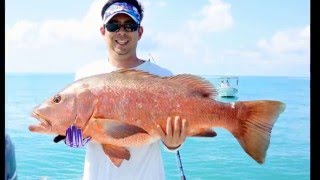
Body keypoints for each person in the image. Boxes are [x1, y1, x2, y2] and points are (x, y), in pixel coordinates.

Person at [74, 0, 188, 179]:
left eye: (129, 25)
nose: (121, 32)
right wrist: (72, 138)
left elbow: (172, 140)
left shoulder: (164, 76)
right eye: (113, 25)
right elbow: (79, 130)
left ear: (139, 32)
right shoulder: (85, 75)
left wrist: (174, 144)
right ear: (103, 31)